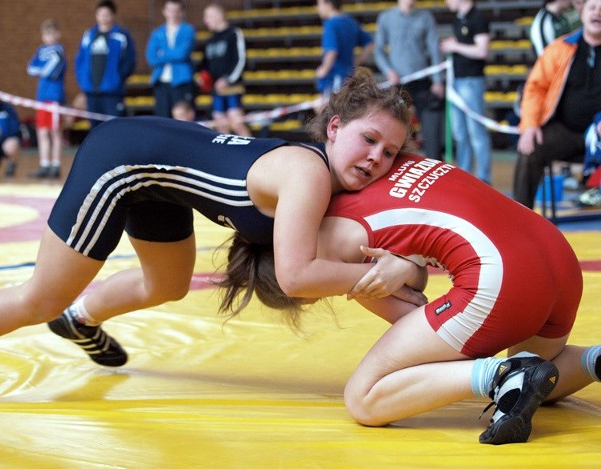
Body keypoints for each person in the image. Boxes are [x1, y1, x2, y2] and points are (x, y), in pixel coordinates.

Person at [0, 69, 418, 370]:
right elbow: (297, 277)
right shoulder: (309, 175)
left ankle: (78, 319)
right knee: (39, 297)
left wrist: (398, 270)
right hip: (120, 162)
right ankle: (57, 311)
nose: (377, 158)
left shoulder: (331, 178)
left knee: (166, 285)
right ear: (334, 129)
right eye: (369, 139)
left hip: (159, 175)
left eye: (389, 152)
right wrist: (386, 271)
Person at [235, 152, 596, 445]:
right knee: (540, 385)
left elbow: (412, 312)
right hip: (557, 255)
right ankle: (593, 360)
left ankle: (498, 375)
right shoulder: (384, 164)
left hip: (501, 275)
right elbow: (418, 255)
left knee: (364, 399)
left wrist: (358, 287)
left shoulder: (325, 243)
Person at [513, 0, 601, 209]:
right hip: (566, 132)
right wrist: (530, 125)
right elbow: (535, 88)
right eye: (592, 8)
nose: (597, 13)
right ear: (581, 11)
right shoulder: (559, 48)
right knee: (529, 149)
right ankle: (518, 218)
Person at [373, 0, 445, 161]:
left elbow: (435, 49)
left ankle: (435, 168)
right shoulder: (386, 18)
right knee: (392, 130)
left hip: (422, 81)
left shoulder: (426, 17)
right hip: (396, 84)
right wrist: (388, 71)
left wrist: (437, 80)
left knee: (431, 133)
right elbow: (378, 51)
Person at [440, 0, 492, 184]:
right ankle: (465, 177)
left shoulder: (477, 17)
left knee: (476, 132)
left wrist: (455, 46)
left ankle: (484, 178)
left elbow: (482, 50)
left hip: (471, 81)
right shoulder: (458, 18)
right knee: (460, 133)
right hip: (457, 81)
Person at [74, 0, 136, 130]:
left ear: (113, 15)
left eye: (106, 14)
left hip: (112, 92)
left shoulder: (122, 36)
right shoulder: (88, 35)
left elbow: (130, 61)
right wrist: (83, 81)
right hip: (91, 92)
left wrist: (118, 78)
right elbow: (80, 59)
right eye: (100, 14)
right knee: (94, 129)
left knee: (114, 128)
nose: (103, 17)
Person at [199, 2, 251, 136]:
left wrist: (227, 79)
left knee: (237, 122)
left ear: (218, 16)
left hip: (232, 87)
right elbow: (205, 65)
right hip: (216, 90)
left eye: (208, 16)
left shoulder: (234, 33)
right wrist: (203, 78)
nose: (205, 20)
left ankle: (255, 154)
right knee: (221, 126)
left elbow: (241, 60)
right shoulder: (210, 40)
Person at [26, 19, 67, 179]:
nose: (48, 37)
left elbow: (50, 71)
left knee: (55, 132)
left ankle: (55, 165)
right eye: (45, 34)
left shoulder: (58, 51)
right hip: (41, 98)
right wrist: (40, 69)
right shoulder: (41, 50)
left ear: (58, 35)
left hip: (53, 98)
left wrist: (39, 69)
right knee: (41, 132)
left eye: (51, 33)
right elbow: (30, 68)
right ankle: (44, 164)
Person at [146, 0, 197, 118]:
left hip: (181, 81)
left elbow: (182, 53)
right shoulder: (157, 32)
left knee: (182, 118)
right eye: (170, 10)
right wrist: (172, 53)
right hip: (162, 82)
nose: (173, 14)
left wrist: (162, 53)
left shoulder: (188, 30)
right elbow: (151, 57)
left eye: (176, 11)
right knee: (162, 120)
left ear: (182, 12)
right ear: (164, 11)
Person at [315, 0, 374, 98]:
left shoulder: (330, 24)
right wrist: (357, 61)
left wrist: (323, 69)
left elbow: (332, 52)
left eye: (319, 4)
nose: (317, 8)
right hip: (350, 75)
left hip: (335, 77)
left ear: (329, 4)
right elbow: (369, 44)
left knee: (328, 108)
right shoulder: (350, 22)